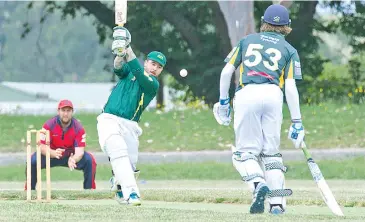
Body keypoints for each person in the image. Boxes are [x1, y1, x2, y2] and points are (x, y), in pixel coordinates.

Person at [213, 4, 304, 215]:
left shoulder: (247, 40)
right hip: (273, 94)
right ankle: (277, 204)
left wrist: (224, 101)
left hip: (248, 93)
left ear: (264, 22)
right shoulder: (290, 50)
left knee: (245, 152)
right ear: (287, 26)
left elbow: (226, 72)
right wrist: (297, 121)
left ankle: (257, 183)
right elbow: (290, 87)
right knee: (271, 153)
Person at [96, 26, 167, 206]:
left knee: (131, 165)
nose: (155, 68)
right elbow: (118, 67)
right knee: (117, 149)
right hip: (109, 119)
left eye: (159, 67)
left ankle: (118, 184)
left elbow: (137, 70)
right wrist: (120, 51)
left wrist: (127, 47)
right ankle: (132, 193)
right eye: (152, 63)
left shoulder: (152, 84)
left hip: (131, 126)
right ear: (147, 62)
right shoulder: (130, 71)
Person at [25, 99, 97, 190]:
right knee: (32, 161)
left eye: (68, 111)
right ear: (58, 111)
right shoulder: (49, 125)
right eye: (63, 110)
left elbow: (80, 152)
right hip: (50, 155)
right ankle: (29, 191)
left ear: (72, 112)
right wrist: (53, 153)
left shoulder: (78, 128)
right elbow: (41, 146)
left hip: (69, 156)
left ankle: (89, 192)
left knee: (90, 160)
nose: (66, 114)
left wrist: (73, 159)